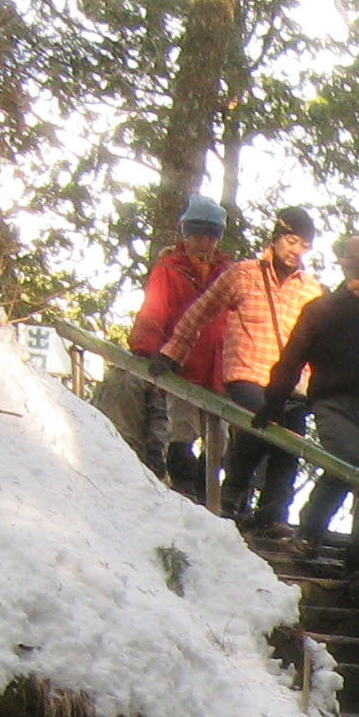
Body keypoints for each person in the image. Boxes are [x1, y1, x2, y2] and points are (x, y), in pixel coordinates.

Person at [162, 207, 323, 515]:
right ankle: (233, 493)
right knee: (262, 422)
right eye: (291, 240)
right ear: (276, 237)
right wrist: (173, 353)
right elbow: (200, 312)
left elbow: (319, 343)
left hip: (290, 381)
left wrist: (317, 386)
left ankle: (273, 514)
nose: (296, 250)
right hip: (246, 372)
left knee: (290, 441)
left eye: (303, 245)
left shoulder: (310, 290)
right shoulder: (243, 274)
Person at [255, 235, 359, 555]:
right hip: (333, 402)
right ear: (348, 271)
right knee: (346, 462)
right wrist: (274, 400)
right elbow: (293, 356)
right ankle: (310, 531)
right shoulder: (322, 310)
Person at [125, 193, 229, 502]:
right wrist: (149, 349)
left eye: (210, 236)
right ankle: (185, 495)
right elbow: (154, 311)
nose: (204, 243)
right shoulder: (170, 269)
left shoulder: (228, 271)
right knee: (183, 431)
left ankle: (208, 498)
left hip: (220, 368)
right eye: (198, 235)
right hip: (183, 366)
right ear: (187, 234)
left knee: (218, 441)